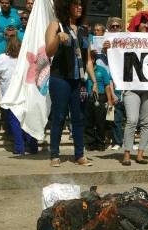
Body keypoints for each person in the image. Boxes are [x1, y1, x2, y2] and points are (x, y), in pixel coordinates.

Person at [45, 0, 98, 167]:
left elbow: (88, 59)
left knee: (79, 118)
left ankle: (79, 155)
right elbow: (48, 51)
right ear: (66, 6)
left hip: (79, 81)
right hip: (60, 79)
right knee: (59, 116)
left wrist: (94, 80)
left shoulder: (84, 30)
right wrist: (57, 39)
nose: (79, 7)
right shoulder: (56, 25)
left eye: (81, 5)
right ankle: (54, 155)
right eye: (75, 4)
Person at [121, 11, 148, 166]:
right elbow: (116, 56)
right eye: (143, 22)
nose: (145, 25)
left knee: (147, 122)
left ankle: (140, 154)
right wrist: (107, 49)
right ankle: (126, 153)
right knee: (132, 120)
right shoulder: (126, 40)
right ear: (137, 25)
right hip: (131, 87)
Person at [0, 37, 38, 155]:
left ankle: (20, 148)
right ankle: (33, 146)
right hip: (26, 93)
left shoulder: (2, 59)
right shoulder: (27, 58)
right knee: (28, 120)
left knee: (15, 122)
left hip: (11, 95)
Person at [83, 51, 112, 151]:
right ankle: (90, 144)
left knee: (100, 122)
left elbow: (107, 86)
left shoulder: (102, 70)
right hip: (88, 97)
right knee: (88, 122)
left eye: (89, 59)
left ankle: (100, 143)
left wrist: (109, 100)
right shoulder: (84, 71)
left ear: (93, 59)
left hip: (100, 97)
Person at [104, 17, 124, 151]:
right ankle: (116, 141)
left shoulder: (126, 40)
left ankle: (129, 141)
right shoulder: (104, 41)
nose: (115, 28)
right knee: (115, 118)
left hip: (125, 83)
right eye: (112, 26)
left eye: (117, 26)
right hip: (111, 84)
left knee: (129, 118)